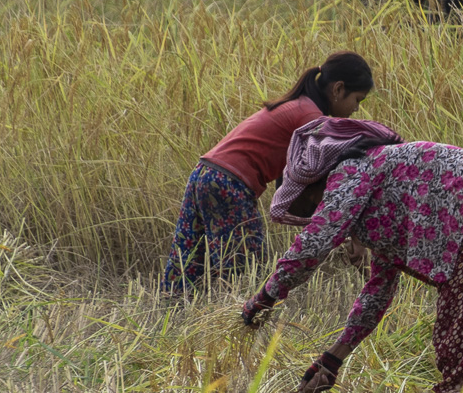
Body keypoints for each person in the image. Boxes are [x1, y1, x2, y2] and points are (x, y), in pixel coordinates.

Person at [241, 118, 463, 393]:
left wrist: (264, 298)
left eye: (313, 203)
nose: (318, 211)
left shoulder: (351, 171)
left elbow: (312, 245)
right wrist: (332, 360)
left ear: (318, 183)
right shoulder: (385, 196)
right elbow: (377, 291)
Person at [160, 51, 374, 293]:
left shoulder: (299, 106)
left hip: (204, 174)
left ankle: (170, 307)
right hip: (230, 183)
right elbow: (331, 178)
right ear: (338, 89)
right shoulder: (313, 119)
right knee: (244, 271)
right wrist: (354, 234)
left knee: (186, 262)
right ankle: (233, 316)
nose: (356, 108)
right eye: (357, 99)